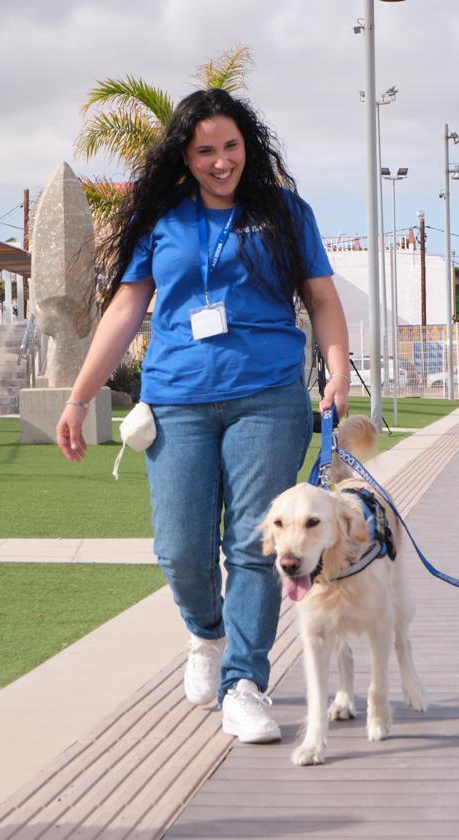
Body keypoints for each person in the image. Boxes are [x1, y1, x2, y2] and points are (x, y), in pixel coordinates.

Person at [56, 89, 351, 744]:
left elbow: (323, 301)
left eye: (231, 147)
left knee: (255, 543)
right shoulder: (164, 221)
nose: (222, 162)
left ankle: (244, 682)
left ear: (249, 145)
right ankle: (205, 633)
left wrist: (335, 373)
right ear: (184, 158)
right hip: (178, 398)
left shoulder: (284, 213)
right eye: (206, 151)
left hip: (269, 396)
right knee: (181, 547)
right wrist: (79, 397)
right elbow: (126, 311)